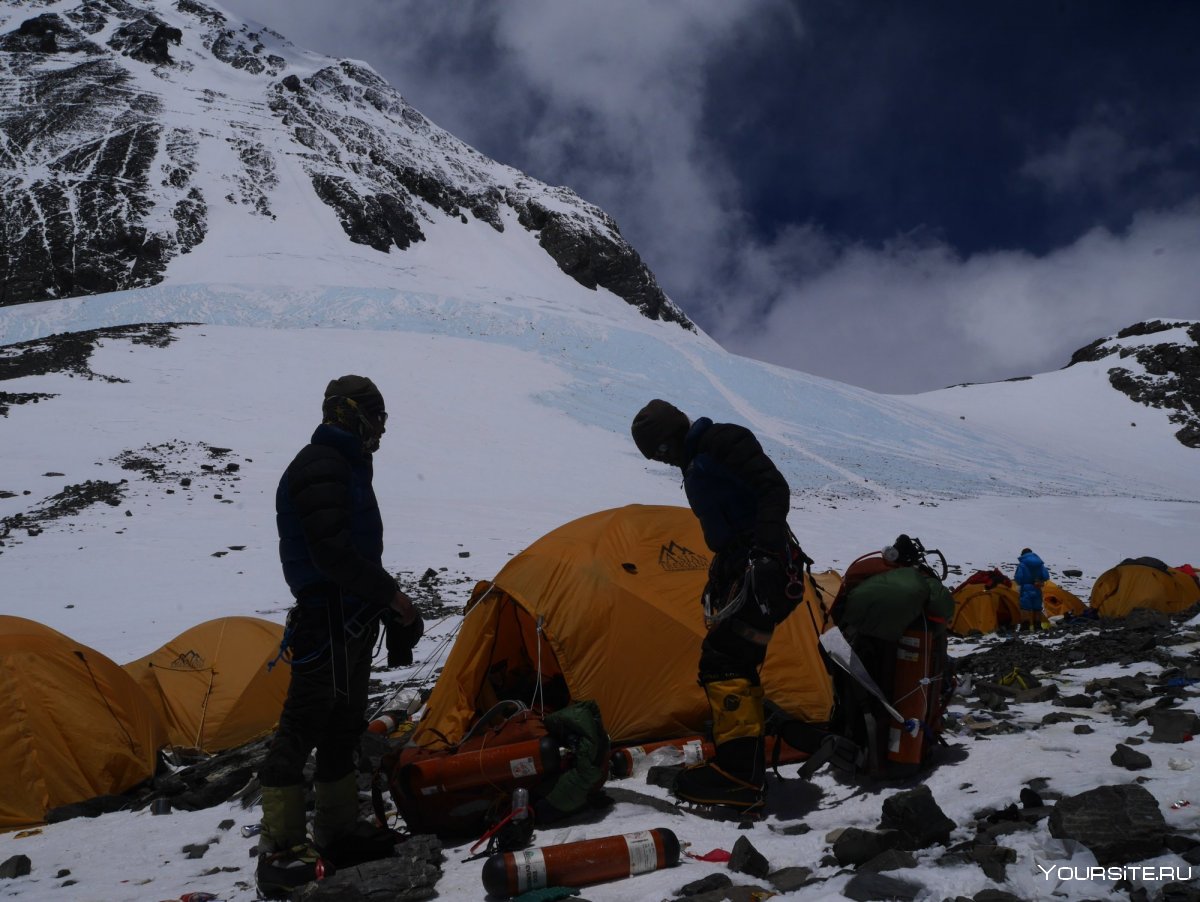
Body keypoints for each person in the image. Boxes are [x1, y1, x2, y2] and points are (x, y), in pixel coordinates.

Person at [257, 375, 424, 899]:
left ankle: (336, 831)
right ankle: (281, 850)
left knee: (342, 726)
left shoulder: (342, 466)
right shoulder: (322, 466)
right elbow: (331, 553)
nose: (380, 430)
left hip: (346, 620)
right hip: (326, 618)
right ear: (352, 414)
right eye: (376, 418)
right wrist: (392, 595)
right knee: (303, 723)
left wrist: (381, 603)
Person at [631, 399, 805, 811]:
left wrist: (764, 552)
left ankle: (739, 778)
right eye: (656, 456)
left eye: (661, 450)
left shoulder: (722, 441)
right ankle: (740, 763)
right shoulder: (695, 463)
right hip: (744, 564)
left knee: (724, 660)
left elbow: (773, 488)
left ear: (675, 434)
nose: (664, 459)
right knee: (732, 659)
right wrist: (723, 568)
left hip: (768, 568)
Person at [1013, 547, 1050, 633]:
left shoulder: (1022, 564)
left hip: (1026, 588)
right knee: (1037, 608)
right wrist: (1039, 580)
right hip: (1037, 587)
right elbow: (1046, 576)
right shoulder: (1040, 564)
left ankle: (1025, 628)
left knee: (1025, 608)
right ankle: (1038, 626)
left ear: (1023, 555)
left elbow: (1018, 578)